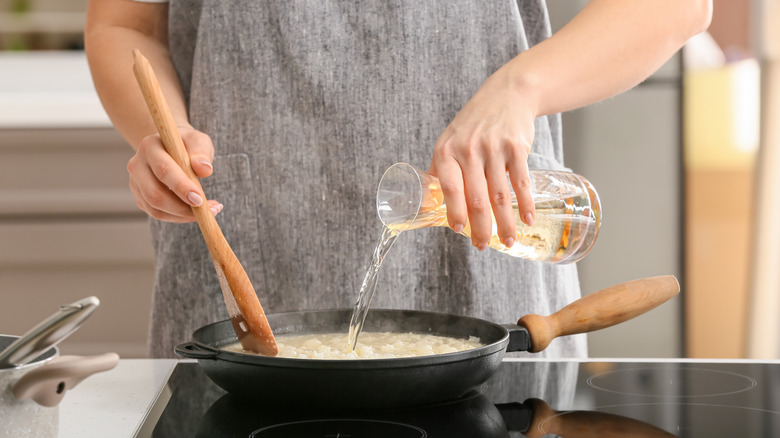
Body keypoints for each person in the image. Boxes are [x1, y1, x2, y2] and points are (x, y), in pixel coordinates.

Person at [85, 0, 711, 358]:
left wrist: (522, 88)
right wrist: (166, 136)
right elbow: (126, 25)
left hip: (484, 251)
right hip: (243, 250)